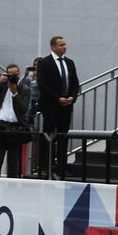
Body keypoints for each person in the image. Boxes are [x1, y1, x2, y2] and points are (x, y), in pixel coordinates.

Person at [37, 35, 80, 179]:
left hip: (66, 107)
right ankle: (45, 166)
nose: (64, 47)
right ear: (53, 47)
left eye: (65, 44)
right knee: (48, 136)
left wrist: (72, 97)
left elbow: (75, 83)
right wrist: (57, 98)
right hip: (51, 106)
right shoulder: (45, 62)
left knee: (63, 136)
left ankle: (61, 166)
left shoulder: (70, 62)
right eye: (61, 45)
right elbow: (43, 84)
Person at [0, 63, 30, 178]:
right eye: (10, 75)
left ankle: (12, 192)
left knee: (13, 165)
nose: (12, 77)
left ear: (19, 73)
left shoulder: (24, 89)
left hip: (15, 128)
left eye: (15, 75)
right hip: (0, 126)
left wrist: (15, 92)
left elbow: (23, 109)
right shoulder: (2, 86)